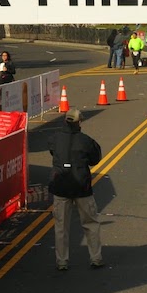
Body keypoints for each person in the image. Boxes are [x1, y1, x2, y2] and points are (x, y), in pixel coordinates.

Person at [48, 109, 104, 270]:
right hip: (81, 187)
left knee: (61, 226)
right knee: (90, 223)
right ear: (79, 123)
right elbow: (95, 159)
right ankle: (96, 257)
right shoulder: (86, 141)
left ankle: (62, 261)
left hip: (60, 187)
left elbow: (52, 151)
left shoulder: (55, 138)